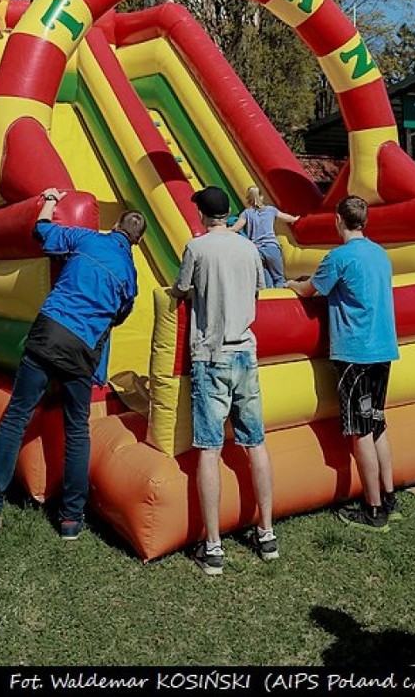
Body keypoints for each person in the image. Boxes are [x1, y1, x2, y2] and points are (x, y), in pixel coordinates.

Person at [0, 189, 144, 543]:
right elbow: (121, 315)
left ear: (114, 226)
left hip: (50, 333)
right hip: (81, 350)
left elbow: (43, 233)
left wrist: (49, 199)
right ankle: (71, 519)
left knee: (17, 417)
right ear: (137, 243)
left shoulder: (87, 239)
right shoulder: (129, 275)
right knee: (77, 430)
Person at [171, 184, 278, 575]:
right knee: (256, 443)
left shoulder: (196, 248)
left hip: (210, 355)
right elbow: (257, 293)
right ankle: (266, 533)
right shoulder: (249, 248)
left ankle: (213, 546)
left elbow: (182, 290)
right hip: (245, 353)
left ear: (202, 213)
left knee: (209, 449)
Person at [287, 195, 400, 532]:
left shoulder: (339, 256)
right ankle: (389, 497)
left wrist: (291, 283)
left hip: (355, 352)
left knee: (360, 431)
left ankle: (373, 508)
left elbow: (310, 291)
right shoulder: (380, 254)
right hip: (383, 348)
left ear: (339, 220)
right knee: (377, 422)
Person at [230, 185, 300, 288]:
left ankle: (268, 296)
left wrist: (221, 229)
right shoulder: (271, 210)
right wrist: (295, 219)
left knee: (265, 280)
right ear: (262, 197)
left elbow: (235, 228)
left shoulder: (246, 213)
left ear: (248, 199)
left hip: (256, 250)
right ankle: (280, 300)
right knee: (279, 278)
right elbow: (286, 217)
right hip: (272, 247)